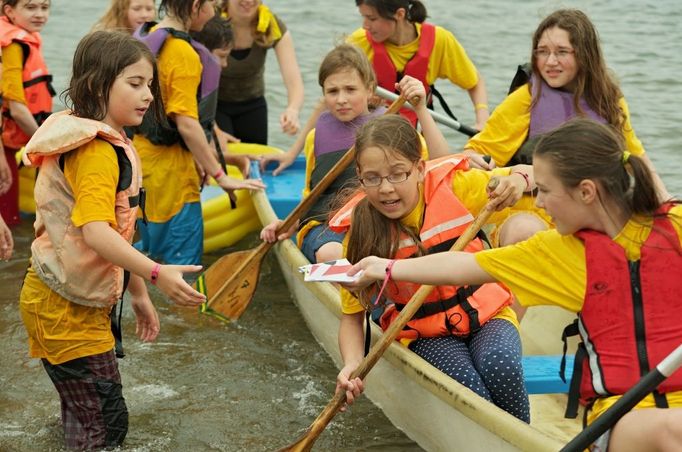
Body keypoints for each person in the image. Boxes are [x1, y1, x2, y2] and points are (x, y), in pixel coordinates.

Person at [348, 118, 682, 452]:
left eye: (546, 191)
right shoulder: (556, 250)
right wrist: (389, 267)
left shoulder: (675, 225)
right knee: (669, 429)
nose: (537, 204)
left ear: (586, 192)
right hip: (623, 418)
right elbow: (461, 266)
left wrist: (520, 178)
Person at [19, 30, 208, 450]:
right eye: (135, 83)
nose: (148, 96)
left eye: (151, 85)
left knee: (86, 410)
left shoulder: (101, 139)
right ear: (96, 85)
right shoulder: (96, 152)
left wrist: (137, 292)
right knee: (104, 426)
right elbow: (96, 232)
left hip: (63, 298)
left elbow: (119, 229)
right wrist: (156, 273)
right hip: (62, 309)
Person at [324, 114, 537, 422]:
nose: (385, 189)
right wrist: (351, 364)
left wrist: (520, 180)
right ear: (359, 175)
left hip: (489, 314)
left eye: (398, 174)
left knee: (500, 364)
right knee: (467, 389)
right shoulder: (362, 233)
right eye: (373, 178)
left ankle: (519, 438)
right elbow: (352, 317)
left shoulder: (459, 188)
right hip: (427, 334)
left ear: (420, 169)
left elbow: (532, 173)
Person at [260, 44, 449, 264]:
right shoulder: (315, 137)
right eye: (332, 91)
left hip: (381, 221)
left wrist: (421, 110)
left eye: (350, 89)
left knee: (400, 248)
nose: (341, 99)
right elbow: (311, 196)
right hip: (327, 226)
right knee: (332, 253)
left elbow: (441, 164)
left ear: (369, 90)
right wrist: (288, 224)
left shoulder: (392, 130)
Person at [464, 8, 670, 203]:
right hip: (533, 208)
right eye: (543, 52)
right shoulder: (526, 98)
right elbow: (477, 150)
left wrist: (666, 201)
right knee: (523, 228)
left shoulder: (610, 100)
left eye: (562, 52)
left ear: (584, 55)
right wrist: (473, 159)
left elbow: (636, 159)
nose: (550, 61)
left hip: (590, 211)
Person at [262, 0, 488, 176]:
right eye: (363, 17)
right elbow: (329, 97)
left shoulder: (440, 41)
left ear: (399, 15)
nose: (365, 25)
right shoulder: (360, 42)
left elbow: (474, 82)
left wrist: (482, 121)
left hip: (413, 133)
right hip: (372, 135)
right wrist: (293, 153)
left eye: (371, 18)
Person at [132, 0, 265, 265]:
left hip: (141, 168)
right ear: (195, 5)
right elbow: (186, 123)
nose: (215, 12)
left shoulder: (149, 36)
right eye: (213, 5)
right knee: (183, 269)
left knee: (146, 261)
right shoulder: (183, 53)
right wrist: (220, 175)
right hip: (172, 182)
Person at [215, 0, 304, 144]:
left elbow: (295, 83)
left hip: (253, 105)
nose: (248, 1)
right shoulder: (211, 20)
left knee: (256, 162)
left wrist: (292, 110)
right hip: (215, 105)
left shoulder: (271, 24)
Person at [0, 0, 53, 226]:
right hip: (6, 145)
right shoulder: (12, 46)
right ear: (9, 11)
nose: (40, 14)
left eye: (44, 7)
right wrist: (50, 145)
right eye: (31, 8)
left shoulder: (24, 40)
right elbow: (17, 109)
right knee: (7, 219)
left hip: (13, 143)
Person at [190, 14, 250, 178]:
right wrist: (234, 163)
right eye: (222, 56)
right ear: (200, 50)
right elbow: (186, 141)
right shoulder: (185, 81)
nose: (225, 64)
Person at [92, 0, 157, 34]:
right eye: (136, 9)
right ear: (122, 10)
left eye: (149, 9)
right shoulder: (107, 37)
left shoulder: (159, 35)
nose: (144, 15)